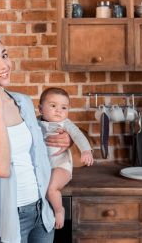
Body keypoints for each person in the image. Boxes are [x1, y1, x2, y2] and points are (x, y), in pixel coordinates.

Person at [0, 33, 72, 243]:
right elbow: (1, 168)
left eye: (4, 55)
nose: (4, 65)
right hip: (10, 217)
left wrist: (66, 140)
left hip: (42, 210)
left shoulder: (23, 102)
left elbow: (40, 150)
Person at [38, 87, 94, 229]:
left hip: (60, 166)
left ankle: (59, 210)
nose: (59, 111)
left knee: (51, 188)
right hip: (42, 167)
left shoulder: (66, 124)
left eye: (64, 107)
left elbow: (79, 136)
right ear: (40, 109)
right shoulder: (35, 124)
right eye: (53, 106)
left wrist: (86, 151)